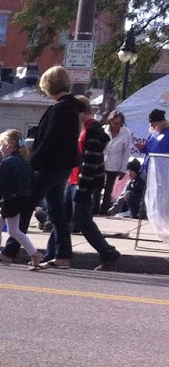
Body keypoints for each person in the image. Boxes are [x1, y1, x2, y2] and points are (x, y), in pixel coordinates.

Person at [27, 66, 84, 270]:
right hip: (62, 167)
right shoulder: (71, 108)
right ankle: (62, 255)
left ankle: (9, 250)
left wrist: (33, 161)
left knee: (26, 203)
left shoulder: (60, 108)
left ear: (49, 85)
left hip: (50, 166)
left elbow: (50, 139)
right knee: (57, 211)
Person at [66, 101, 122, 270]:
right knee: (65, 218)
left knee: (82, 222)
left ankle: (107, 251)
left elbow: (90, 161)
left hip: (82, 183)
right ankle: (57, 253)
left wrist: (83, 188)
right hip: (75, 180)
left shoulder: (92, 131)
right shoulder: (88, 129)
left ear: (81, 112)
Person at [0, 129, 41, 268]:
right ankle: (32, 254)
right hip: (22, 199)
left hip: (12, 200)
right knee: (9, 229)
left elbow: (1, 184)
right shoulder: (24, 161)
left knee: (3, 228)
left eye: (0, 145)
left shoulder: (8, 162)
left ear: (8, 146)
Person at [101, 109, 133, 212]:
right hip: (101, 163)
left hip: (115, 164)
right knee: (97, 187)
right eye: (114, 123)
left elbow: (126, 152)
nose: (116, 125)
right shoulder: (103, 130)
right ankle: (95, 208)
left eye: (119, 123)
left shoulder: (126, 133)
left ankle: (104, 209)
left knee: (109, 188)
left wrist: (123, 169)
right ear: (110, 121)